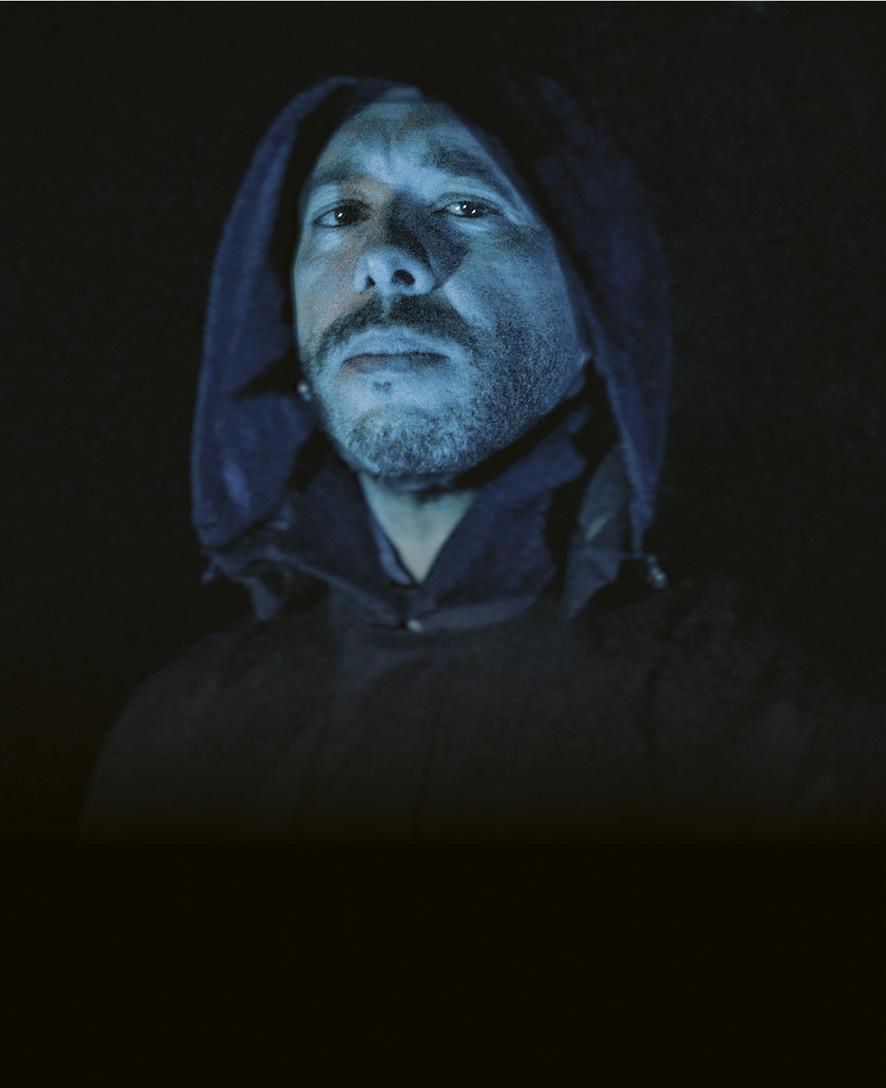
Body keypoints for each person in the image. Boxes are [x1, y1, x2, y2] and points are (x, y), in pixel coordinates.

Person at [82, 74, 884, 842]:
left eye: (467, 205)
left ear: (594, 313)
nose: (382, 255)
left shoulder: (756, 724)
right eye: (341, 213)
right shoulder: (181, 737)